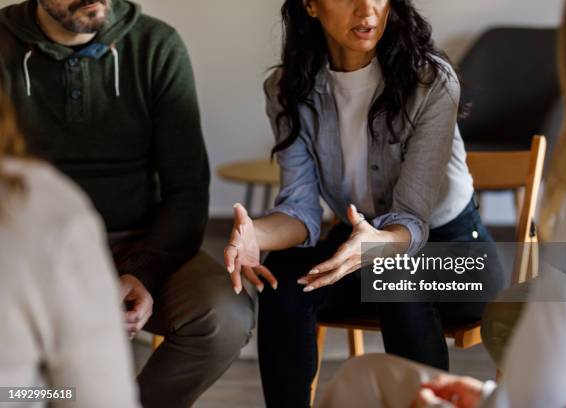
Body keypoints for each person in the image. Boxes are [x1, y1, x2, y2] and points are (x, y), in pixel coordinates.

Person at [319, 0, 566, 406]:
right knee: (366, 282)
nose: (365, 9)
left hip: (459, 252)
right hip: (392, 249)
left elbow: (539, 397)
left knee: (369, 356)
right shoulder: (302, 89)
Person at [223, 0, 501, 406]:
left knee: (391, 271)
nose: (367, 8)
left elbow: (410, 218)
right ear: (310, 6)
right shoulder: (289, 89)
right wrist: (256, 234)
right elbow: (300, 210)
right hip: (365, 248)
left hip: (459, 255)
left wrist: (373, 247)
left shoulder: (429, 80)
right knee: (285, 277)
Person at [0, 1, 254, 407]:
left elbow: (188, 189)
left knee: (224, 314)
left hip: (141, 241)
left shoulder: (156, 45)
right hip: (30, 246)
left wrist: (143, 273)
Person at [0, 77, 140, 407]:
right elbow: (99, 399)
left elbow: (187, 189)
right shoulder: (39, 205)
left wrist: (143, 271)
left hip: (131, 243)